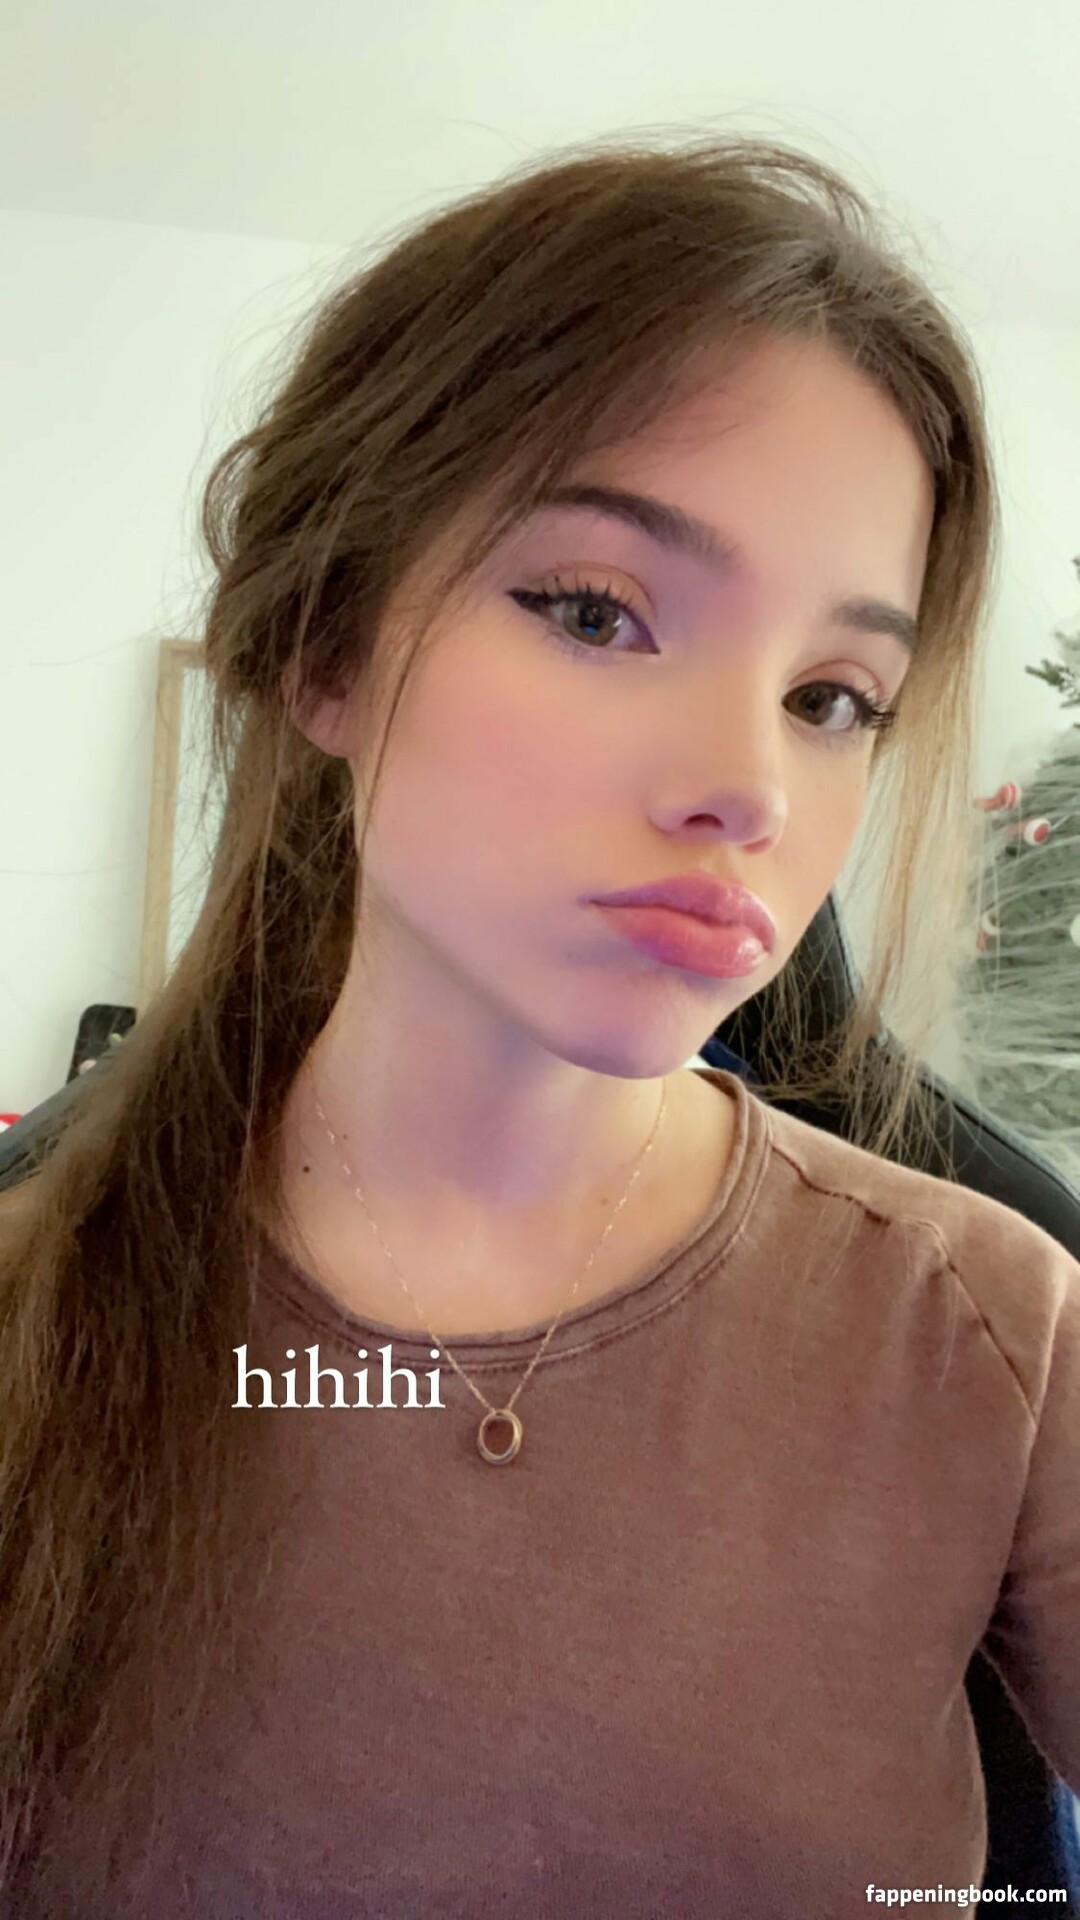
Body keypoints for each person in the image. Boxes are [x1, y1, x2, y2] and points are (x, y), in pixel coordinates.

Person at [1, 131, 1077, 1918]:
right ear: (327, 648)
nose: (749, 786)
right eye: (596, 611)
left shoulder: (987, 1330)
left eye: (833, 697)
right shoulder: (36, 1319)